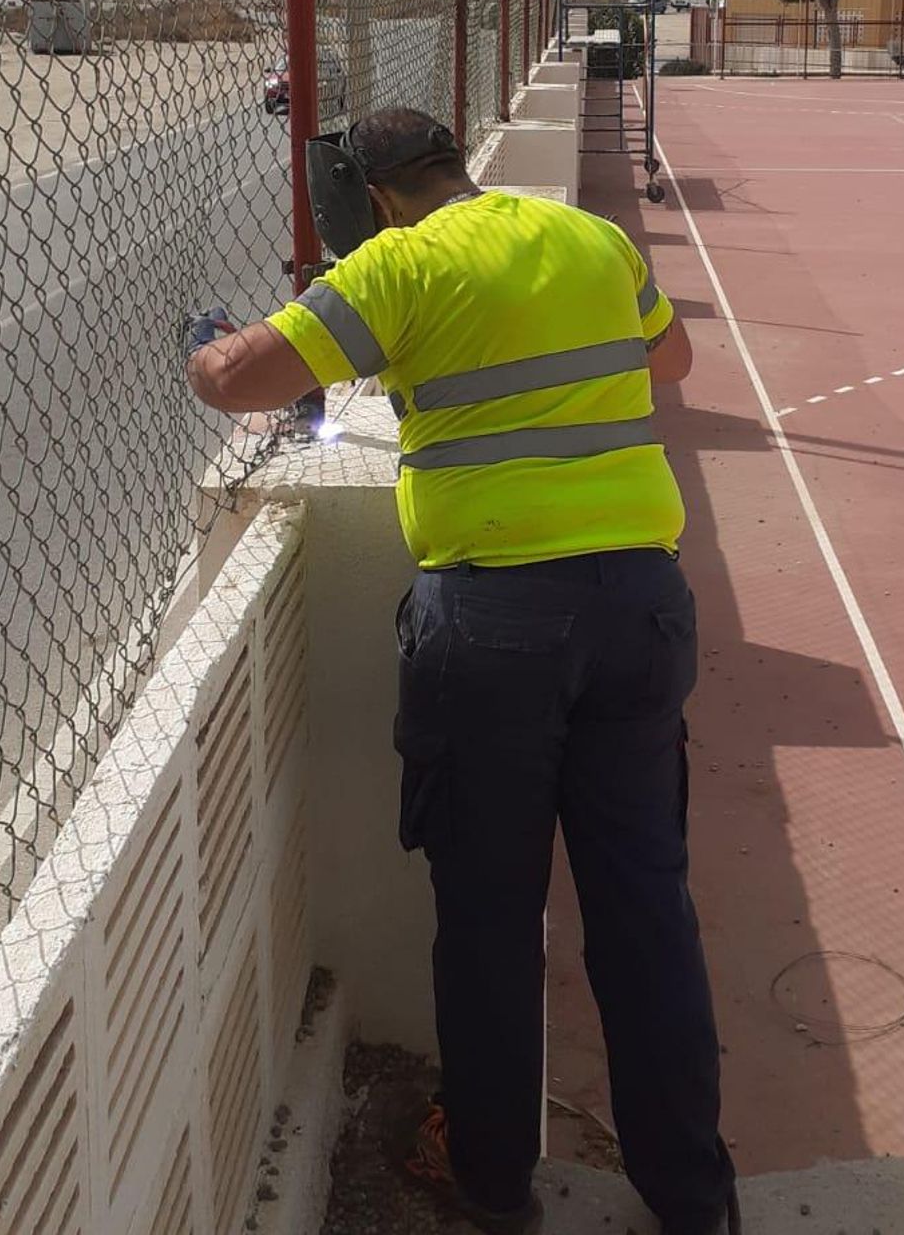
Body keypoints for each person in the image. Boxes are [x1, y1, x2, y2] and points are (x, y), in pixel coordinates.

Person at [186, 107, 738, 1235]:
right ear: (452, 165)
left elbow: (240, 381)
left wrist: (205, 339)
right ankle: (693, 1198)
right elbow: (671, 357)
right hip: (639, 606)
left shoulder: (399, 264)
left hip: (492, 622)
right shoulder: (583, 238)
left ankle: (490, 1178)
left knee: (489, 914)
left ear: (371, 194)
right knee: (645, 907)